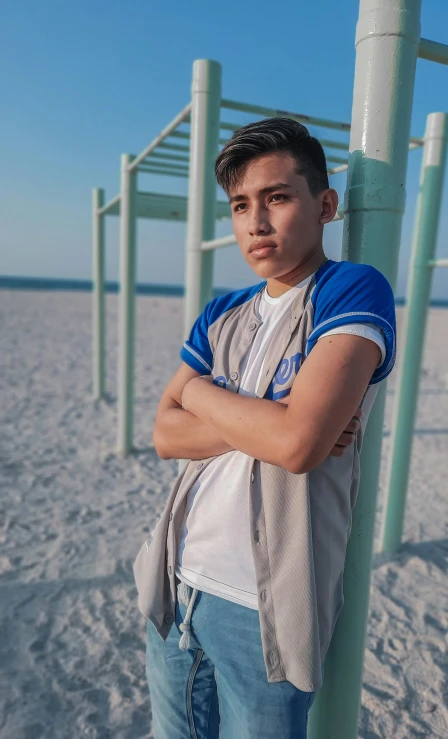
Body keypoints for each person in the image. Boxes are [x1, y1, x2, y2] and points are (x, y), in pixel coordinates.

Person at [134, 117, 396, 739]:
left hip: (261, 609)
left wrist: (200, 394)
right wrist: (265, 423)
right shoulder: (223, 311)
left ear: (325, 205)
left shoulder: (349, 289)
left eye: (277, 198)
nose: (256, 223)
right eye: (241, 205)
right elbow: (165, 435)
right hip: (175, 584)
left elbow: (297, 447)